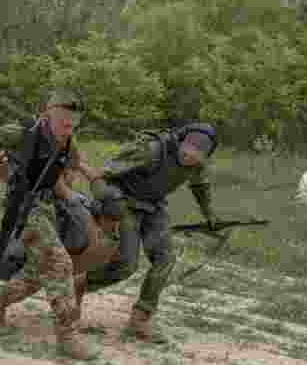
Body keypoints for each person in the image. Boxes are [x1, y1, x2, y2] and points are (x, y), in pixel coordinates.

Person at [0, 90, 100, 359]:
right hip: (26, 208)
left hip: (50, 208)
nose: (69, 128)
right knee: (61, 265)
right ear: (48, 114)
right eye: (64, 123)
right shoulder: (23, 132)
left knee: (36, 274)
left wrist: (81, 181)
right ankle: (67, 337)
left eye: (74, 124)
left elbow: (71, 166)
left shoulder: (68, 140)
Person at [73, 123, 220, 343]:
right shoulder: (152, 150)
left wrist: (210, 214)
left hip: (154, 206)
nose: (191, 157)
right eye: (188, 150)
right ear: (180, 141)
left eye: (199, 155)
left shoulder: (197, 164)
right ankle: (79, 284)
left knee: (165, 258)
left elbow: (200, 186)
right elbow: (105, 172)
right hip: (126, 203)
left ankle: (140, 319)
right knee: (126, 265)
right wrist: (106, 203)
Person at [0, 189, 122, 331]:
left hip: (21, 258)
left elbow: (39, 259)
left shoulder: (78, 219)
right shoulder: (100, 236)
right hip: (28, 254)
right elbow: (77, 273)